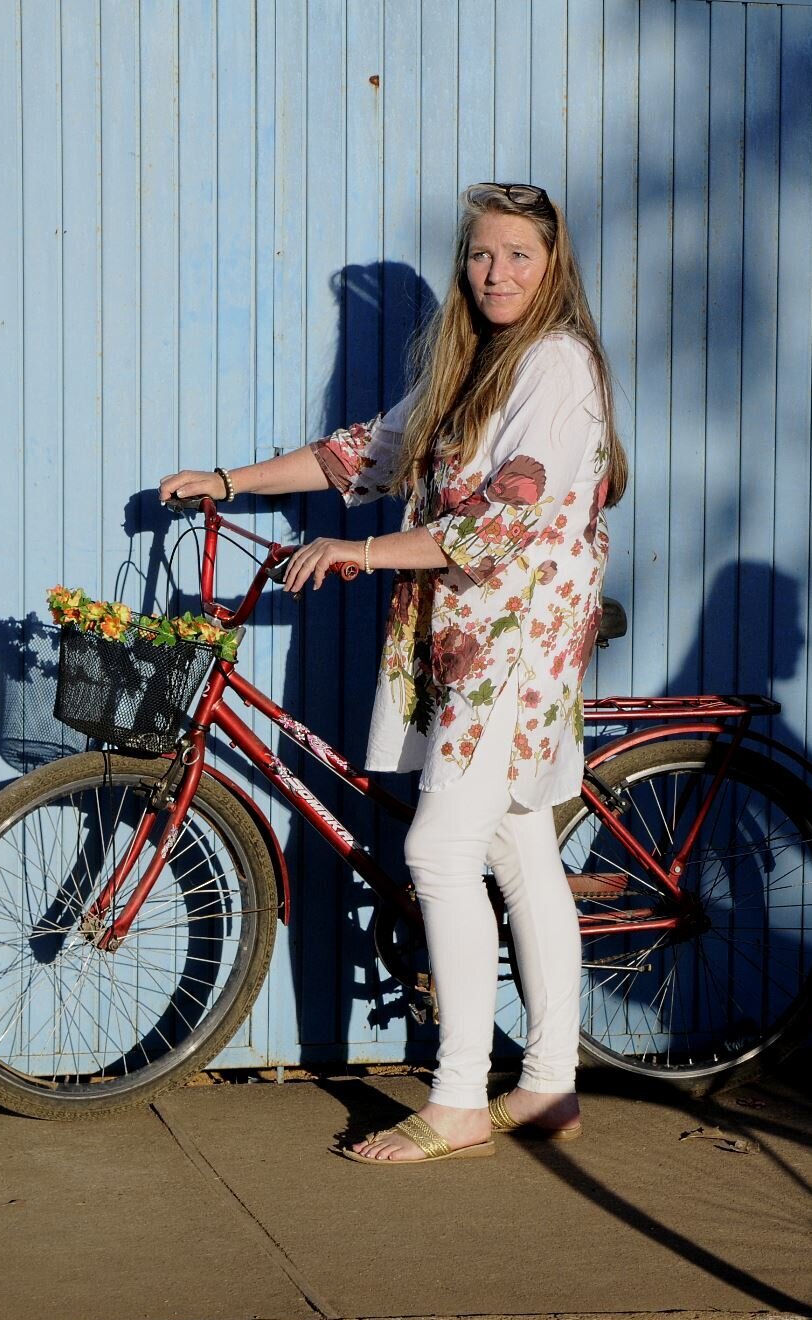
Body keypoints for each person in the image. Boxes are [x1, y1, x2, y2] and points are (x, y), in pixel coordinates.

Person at [160, 182, 628, 1164]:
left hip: (512, 647)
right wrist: (228, 481)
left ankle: (458, 1100)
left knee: (439, 852)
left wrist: (359, 553)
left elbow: (504, 518)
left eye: (518, 254)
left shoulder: (556, 362)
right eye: (481, 254)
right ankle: (548, 1086)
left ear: (553, 266)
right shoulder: (476, 363)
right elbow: (366, 454)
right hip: (467, 640)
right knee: (518, 851)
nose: (495, 272)